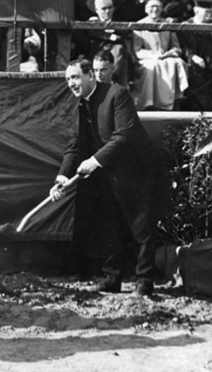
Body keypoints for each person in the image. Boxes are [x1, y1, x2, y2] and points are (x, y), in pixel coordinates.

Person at [50, 59, 167, 297]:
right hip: (109, 175)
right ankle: (112, 279)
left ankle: (144, 281)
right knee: (109, 226)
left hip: (137, 172)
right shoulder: (81, 105)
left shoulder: (118, 94)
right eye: (68, 79)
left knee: (141, 227)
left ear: (90, 75)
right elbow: (74, 144)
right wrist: (62, 176)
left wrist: (95, 160)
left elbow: (124, 134)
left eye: (75, 77)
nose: (71, 83)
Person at [131, 0, 189, 110]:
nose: (155, 9)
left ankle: (172, 101)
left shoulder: (167, 24)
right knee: (154, 66)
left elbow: (176, 46)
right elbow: (138, 50)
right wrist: (154, 55)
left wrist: (170, 53)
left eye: (158, 6)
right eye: (152, 6)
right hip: (147, 58)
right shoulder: (139, 25)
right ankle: (151, 102)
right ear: (146, 9)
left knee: (178, 63)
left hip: (166, 56)